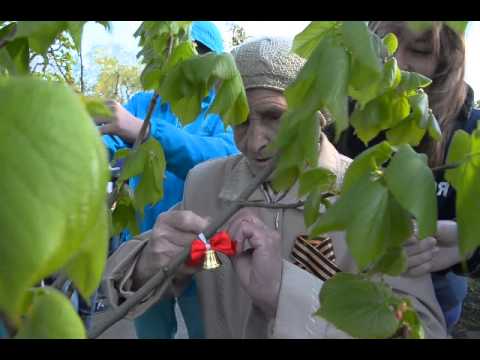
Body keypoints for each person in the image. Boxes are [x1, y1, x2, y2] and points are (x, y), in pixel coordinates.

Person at [104, 37, 447, 338]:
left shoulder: (372, 194)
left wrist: (285, 295)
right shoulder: (206, 185)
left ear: (318, 114)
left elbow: (424, 329)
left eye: (274, 117)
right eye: (239, 121)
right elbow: (165, 271)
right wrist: (151, 264)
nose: (254, 143)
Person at [325, 21, 480, 334]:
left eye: (420, 51)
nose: (397, 61)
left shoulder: (469, 133)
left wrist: (467, 248)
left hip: (431, 303)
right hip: (347, 292)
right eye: (387, 44)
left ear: (446, 59)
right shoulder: (347, 116)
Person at [99, 21, 239, 339]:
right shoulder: (141, 105)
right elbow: (108, 146)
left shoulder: (223, 111)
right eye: (180, 53)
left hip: (206, 245)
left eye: (202, 54)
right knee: (151, 331)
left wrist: (147, 132)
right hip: (145, 248)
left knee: (209, 329)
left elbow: (223, 159)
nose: (188, 64)